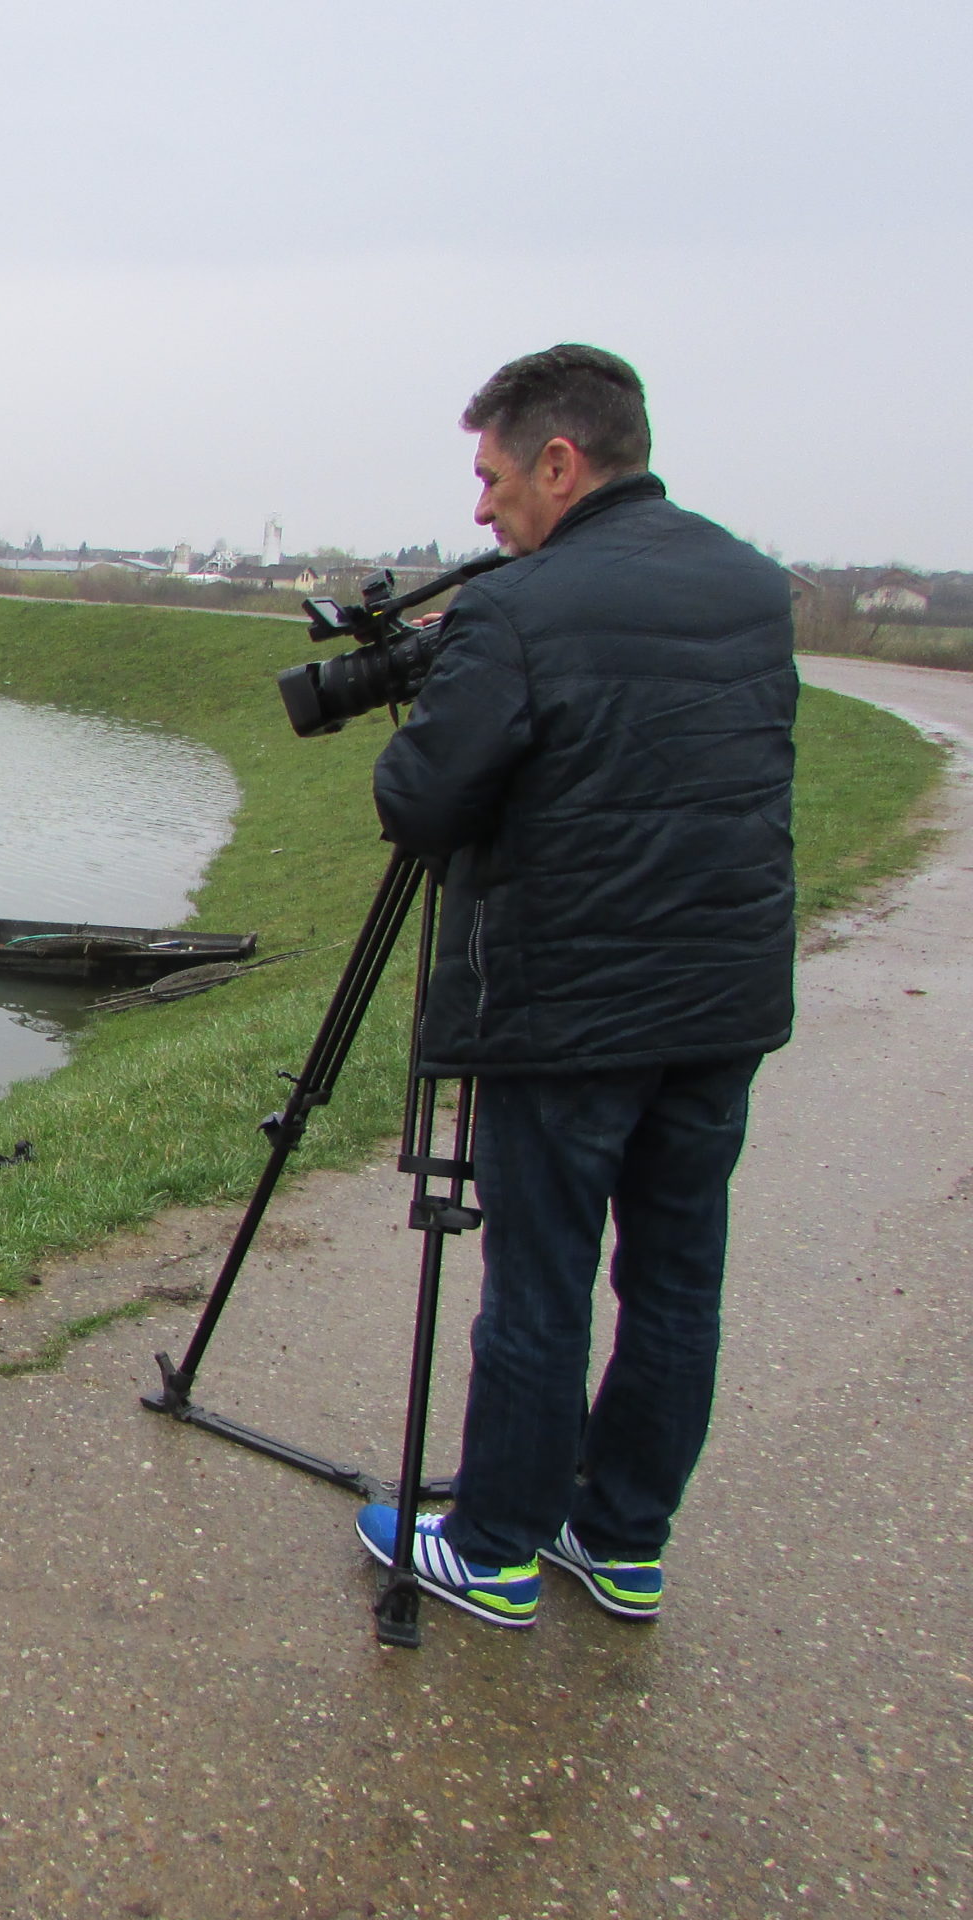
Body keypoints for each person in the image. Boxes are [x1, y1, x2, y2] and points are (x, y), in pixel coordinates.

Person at [354, 344, 798, 1628]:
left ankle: (490, 1547)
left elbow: (421, 800)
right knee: (674, 1278)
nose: (482, 510)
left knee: (539, 1280)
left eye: (492, 478)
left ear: (561, 459)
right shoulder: (751, 586)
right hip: (721, 1003)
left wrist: (437, 704)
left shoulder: (518, 610)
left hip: (567, 1011)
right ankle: (623, 1541)